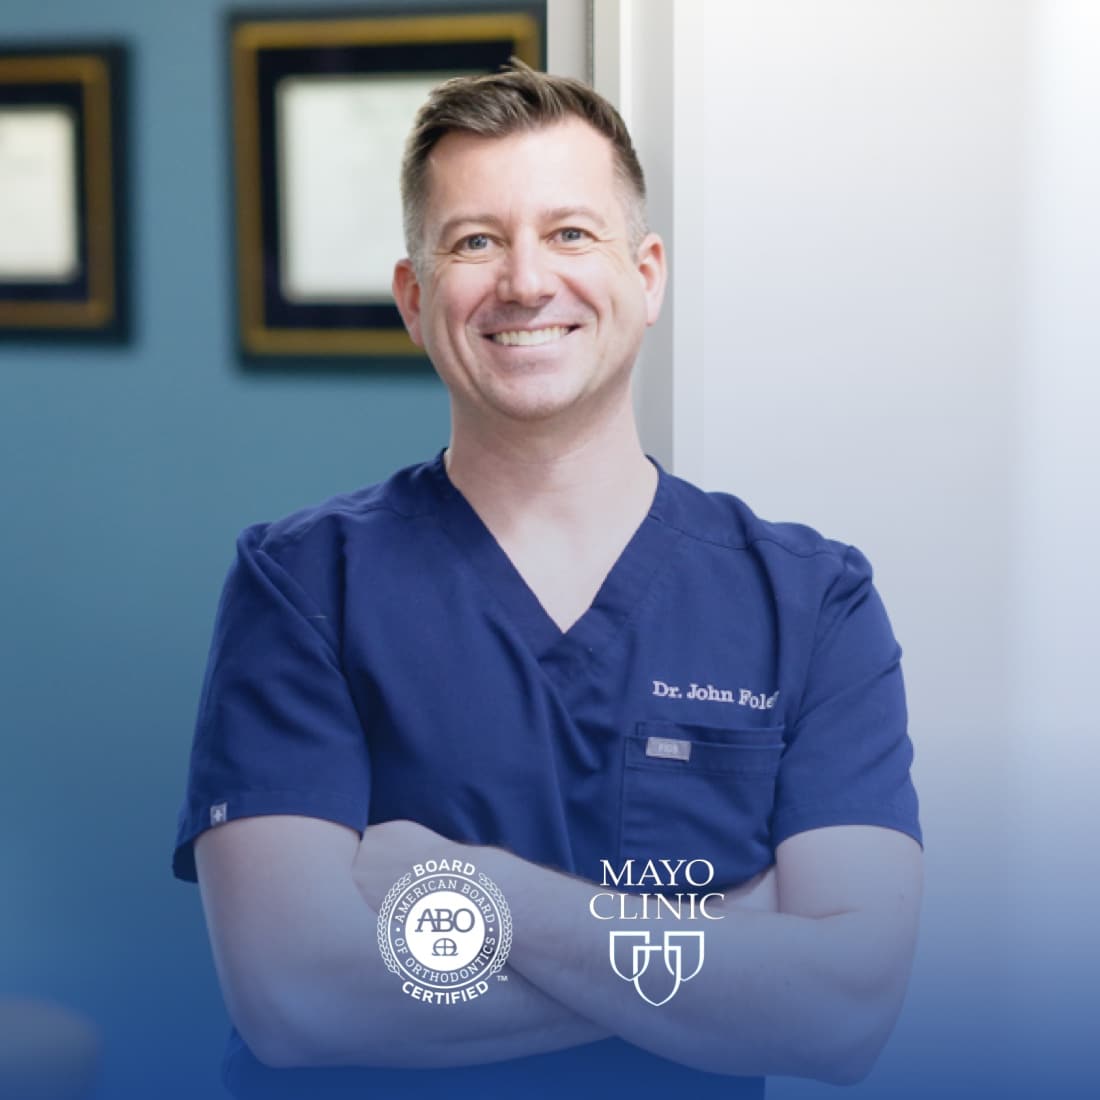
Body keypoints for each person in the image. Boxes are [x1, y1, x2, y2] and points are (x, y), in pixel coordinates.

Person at [174, 62, 922, 1099]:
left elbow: (843, 1012)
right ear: (413, 295)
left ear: (646, 274)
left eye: (570, 232)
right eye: (475, 240)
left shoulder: (809, 602)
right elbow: (301, 999)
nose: (525, 280)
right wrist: (721, 949)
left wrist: (486, 894)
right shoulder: (304, 582)